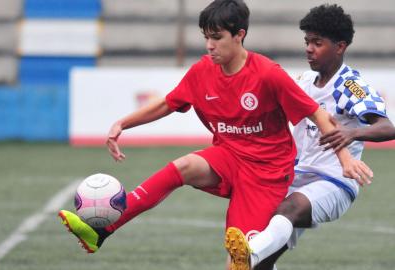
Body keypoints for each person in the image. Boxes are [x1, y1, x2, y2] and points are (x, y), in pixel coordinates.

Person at [58, 0, 372, 267]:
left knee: (239, 263)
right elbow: (169, 103)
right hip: (229, 156)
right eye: (206, 37)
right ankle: (101, 230)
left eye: (217, 38)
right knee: (181, 167)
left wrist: (345, 158)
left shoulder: (267, 75)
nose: (210, 45)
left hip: (267, 176)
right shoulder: (202, 71)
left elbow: (317, 114)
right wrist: (123, 124)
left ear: (239, 36)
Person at [224, 4, 395, 270]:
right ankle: (254, 258)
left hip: (334, 182)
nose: (309, 48)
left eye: (317, 42)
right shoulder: (304, 81)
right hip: (296, 176)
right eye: (307, 41)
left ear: (339, 47)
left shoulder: (349, 85)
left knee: (285, 211)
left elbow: (387, 127)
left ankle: (248, 251)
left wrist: (353, 132)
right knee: (261, 264)